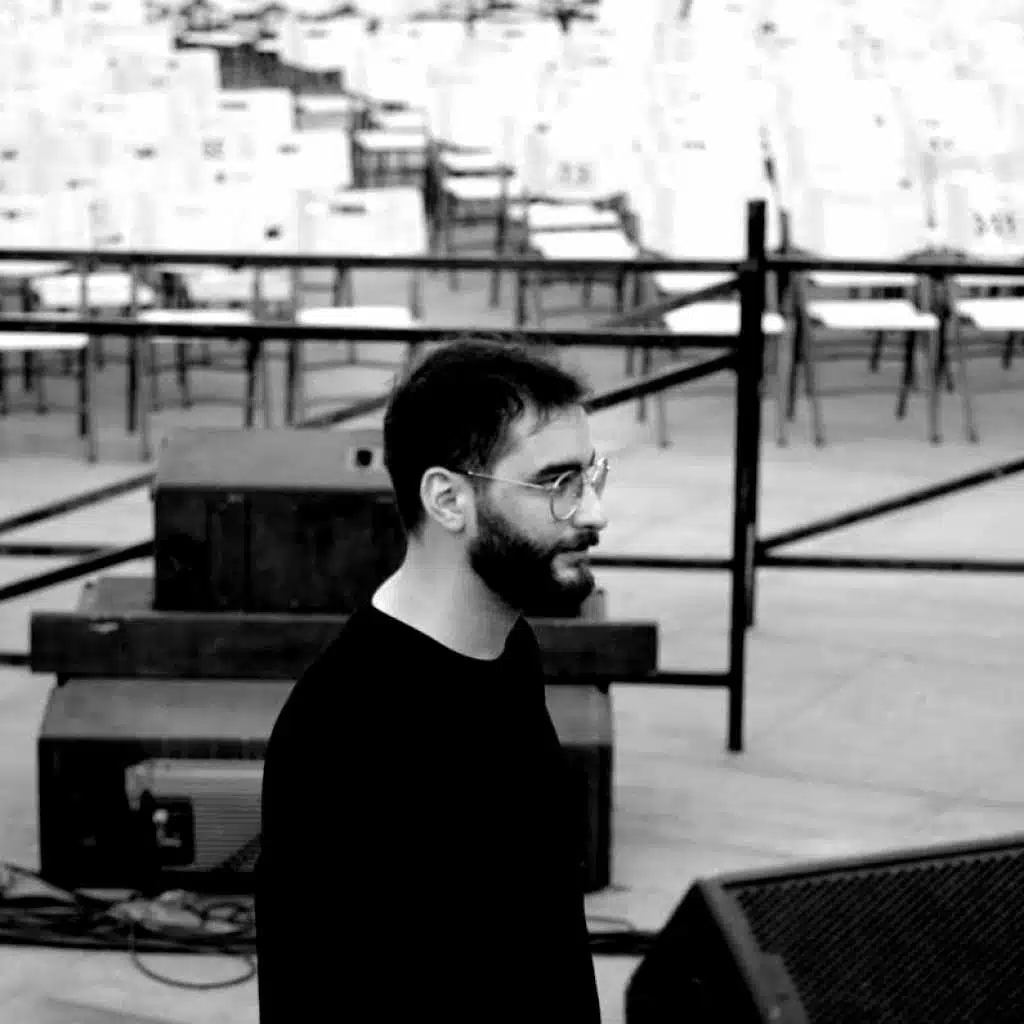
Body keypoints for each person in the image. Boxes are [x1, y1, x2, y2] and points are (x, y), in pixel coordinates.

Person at [256, 338, 609, 1023]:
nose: (593, 512)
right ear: (448, 499)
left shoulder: (507, 646)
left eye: (591, 477)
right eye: (558, 485)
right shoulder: (345, 737)